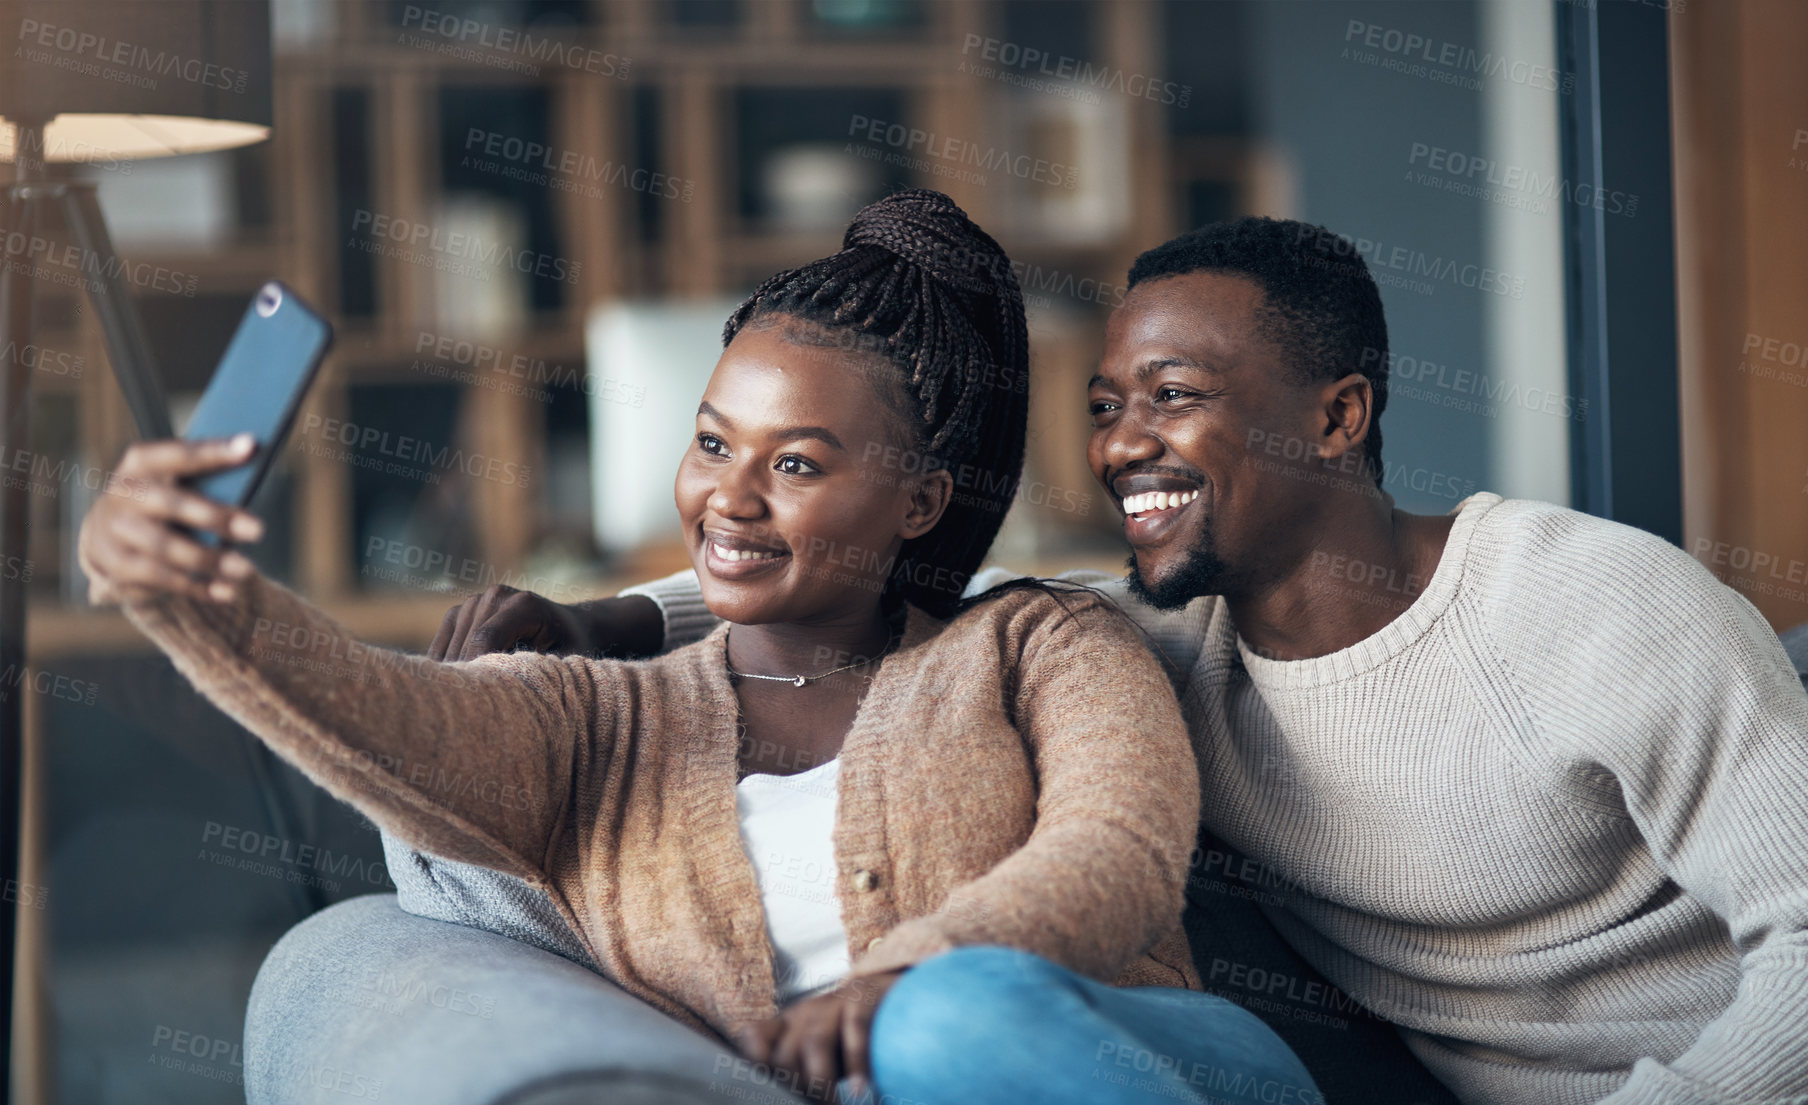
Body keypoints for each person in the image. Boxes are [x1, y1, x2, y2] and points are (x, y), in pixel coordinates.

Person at [457, 215, 1808, 1105]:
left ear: (1338, 416)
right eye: (1105, 405)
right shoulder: (1152, 643)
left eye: (1174, 397)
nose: (1118, 445)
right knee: (949, 1016)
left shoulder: (1593, 607)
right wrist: (608, 625)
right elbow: (912, 589)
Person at [77, 191, 1321, 1105]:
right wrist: (199, 596)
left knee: (948, 1023)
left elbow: (1121, 853)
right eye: (713, 442)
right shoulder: (601, 717)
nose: (729, 497)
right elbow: (383, 713)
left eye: (794, 465)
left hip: (1160, 1060)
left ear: (920, 502)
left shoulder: (1039, 644)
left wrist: (906, 978)